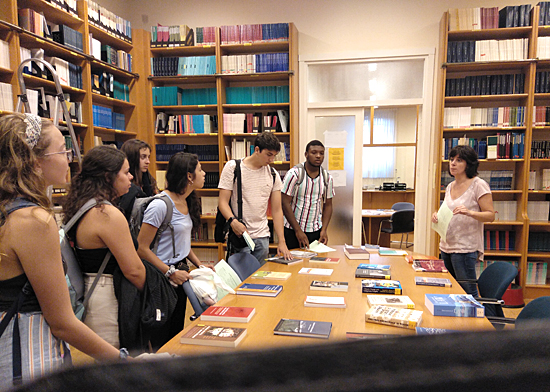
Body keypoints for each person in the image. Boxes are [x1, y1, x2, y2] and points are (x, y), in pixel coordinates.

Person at [0, 114, 122, 390]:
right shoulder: (33, 221)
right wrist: (124, 360)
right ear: (34, 161)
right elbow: (62, 323)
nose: (69, 158)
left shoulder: (6, 213)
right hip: (31, 362)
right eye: (62, 150)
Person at [62, 145, 146, 349]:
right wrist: (152, 293)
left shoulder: (81, 205)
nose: (131, 178)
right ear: (108, 177)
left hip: (91, 291)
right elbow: (134, 271)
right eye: (125, 173)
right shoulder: (106, 214)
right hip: (110, 297)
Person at [137, 152, 211, 349]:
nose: (204, 174)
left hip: (181, 273)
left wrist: (199, 264)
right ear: (189, 176)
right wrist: (169, 272)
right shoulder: (160, 205)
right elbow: (142, 248)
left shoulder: (188, 200)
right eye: (200, 170)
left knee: (177, 329)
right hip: (160, 276)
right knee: (161, 332)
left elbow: (182, 243)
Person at [218, 132, 291, 264]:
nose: (271, 160)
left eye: (274, 156)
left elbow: (277, 210)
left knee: (259, 280)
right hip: (240, 235)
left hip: (263, 237)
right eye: (269, 155)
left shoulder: (273, 174)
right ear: (257, 150)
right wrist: (233, 222)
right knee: (240, 280)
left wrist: (282, 241)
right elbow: (222, 202)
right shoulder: (233, 167)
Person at [431, 145, 495, 297]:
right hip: (446, 246)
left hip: (464, 248)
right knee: (452, 290)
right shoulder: (450, 186)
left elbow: (490, 215)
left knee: (468, 293)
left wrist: (470, 212)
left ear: (469, 164)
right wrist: (437, 215)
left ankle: (477, 321)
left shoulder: (478, 185)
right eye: (451, 159)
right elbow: (448, 210)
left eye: (459, 160)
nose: (453, 163)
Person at [281, 140, 335, 249]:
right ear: (306, 155)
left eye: (321, 153)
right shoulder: (294, 174)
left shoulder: (327, 178)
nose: (318, 156)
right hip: (293, 230)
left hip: (315, 230)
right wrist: (298, 231)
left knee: (315, 263)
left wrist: (324, 230)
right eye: (314, 152)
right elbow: (284, 203)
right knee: (294, 263)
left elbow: (328, 205)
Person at [118, 139, 157, 220]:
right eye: (143, 157)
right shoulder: (124, 184)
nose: (148, 161)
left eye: (148, 157)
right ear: (132, 158)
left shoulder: (148, 180)